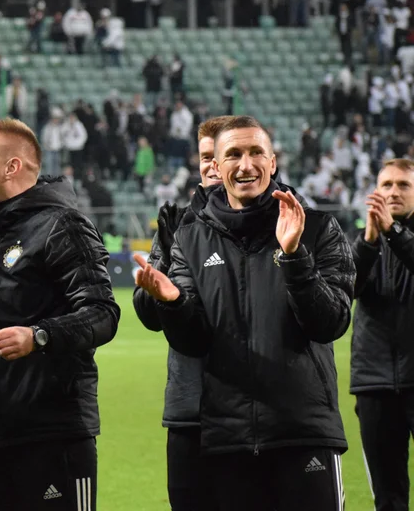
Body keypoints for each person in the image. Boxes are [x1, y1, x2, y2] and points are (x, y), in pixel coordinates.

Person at [135, 115, 355, 511]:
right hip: (226, 438)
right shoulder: (189, 237)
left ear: (273, 163)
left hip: (302, 431)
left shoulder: (318, 228)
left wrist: (294, 256)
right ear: (215, 168)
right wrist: (172, 302)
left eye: (256, 153)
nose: (246, 164)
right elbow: (193, 340)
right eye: (233, 154)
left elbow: (332, 322)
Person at [0, 118, 119, 511]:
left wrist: (38, 336)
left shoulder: (61, 225)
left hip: (51, 433)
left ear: (11, 168)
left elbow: (103, 313)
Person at [131, 115, 230, 510]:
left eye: (220, 155)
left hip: (256, 411)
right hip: (189, 406)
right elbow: (147, 315)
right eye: (205, 156)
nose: (211, 165)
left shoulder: (276, 221)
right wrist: (165, 272)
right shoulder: (176, 221)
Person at [351, 158, 414, 511]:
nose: (393, 192)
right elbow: (346, 291)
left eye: (403, 185)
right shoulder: (362, 241)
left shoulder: (398, 235)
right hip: (374, 382)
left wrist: (394, 232)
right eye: (386, 185)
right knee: (387, 497)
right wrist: (370, 242)